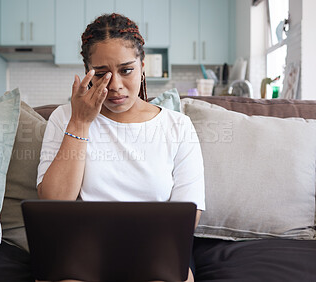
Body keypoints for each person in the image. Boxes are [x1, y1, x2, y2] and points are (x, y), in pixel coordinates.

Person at [36, 13, 205, 282]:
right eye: (101, 74)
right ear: (87, 71)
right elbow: (54, 203)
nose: (115, 86)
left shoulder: (178, 126)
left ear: (142, 66)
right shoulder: (64, 117)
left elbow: (188, 216)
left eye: (126, 70)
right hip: (81, 250)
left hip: (156, 251)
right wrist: (80, 122)